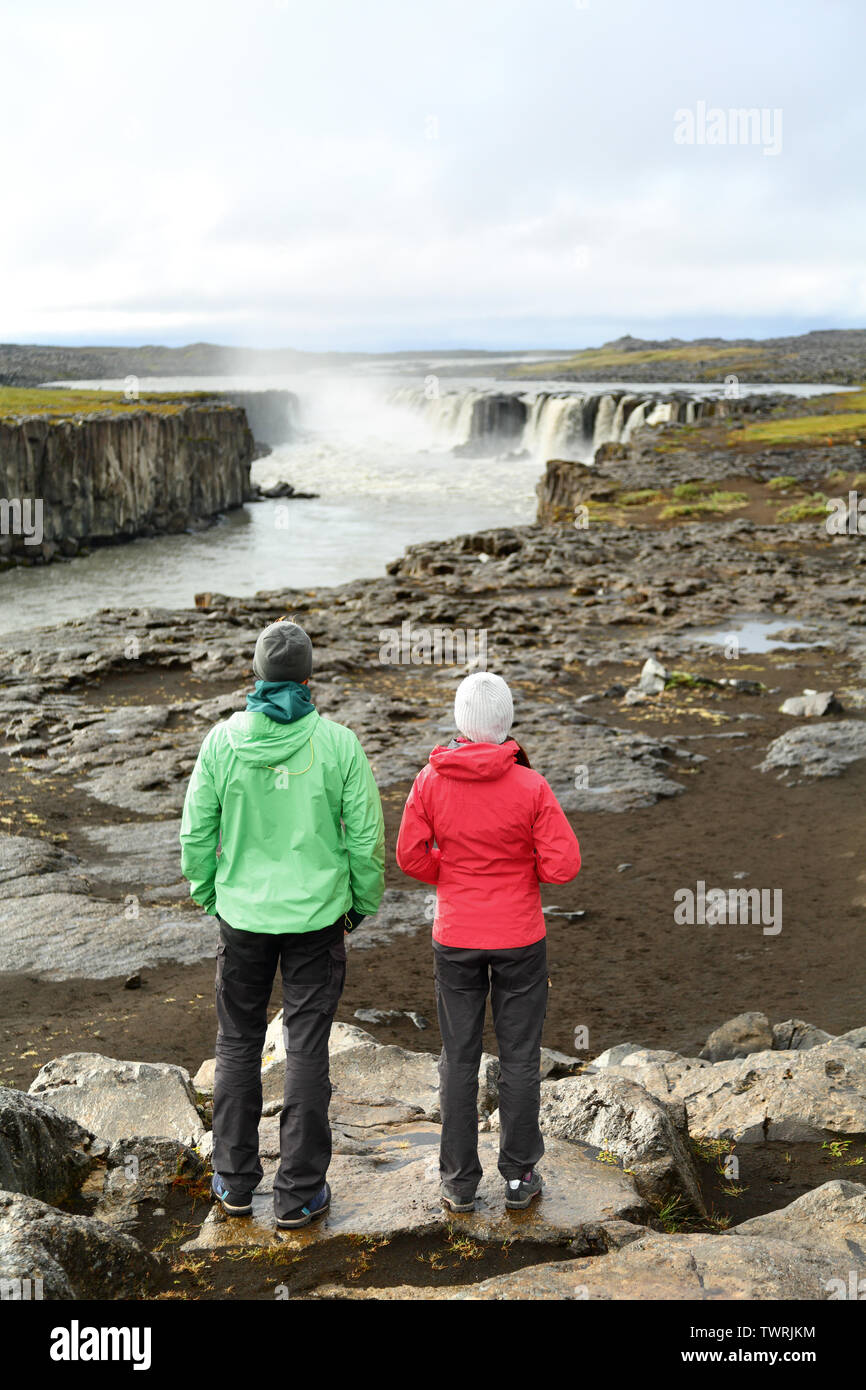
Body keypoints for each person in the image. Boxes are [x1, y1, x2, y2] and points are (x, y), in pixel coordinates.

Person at [180, 618, 385, 1229]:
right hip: (318, 918)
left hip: (242, 916)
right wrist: (360, 903)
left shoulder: (222, 742)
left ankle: (234, 1182)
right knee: (307, 1046)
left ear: (256, 674)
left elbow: (196, 832)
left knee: (238, 1042)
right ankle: (299, 1194)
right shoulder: (338, 743)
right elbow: (367, 839)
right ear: (308, 675)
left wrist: (208, 893)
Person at [396, 671, 581, 1213]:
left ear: (459, 722)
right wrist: (523, 871)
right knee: (520, 1056)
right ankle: (520, 1176)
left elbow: (410, 856)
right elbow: (564, 864)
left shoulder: (429, 780)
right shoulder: (531, 785)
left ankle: (458, 1182)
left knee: (459, 1056)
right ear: (508, 725)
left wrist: (451, 874)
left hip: (456, 936)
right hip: (520, 936)